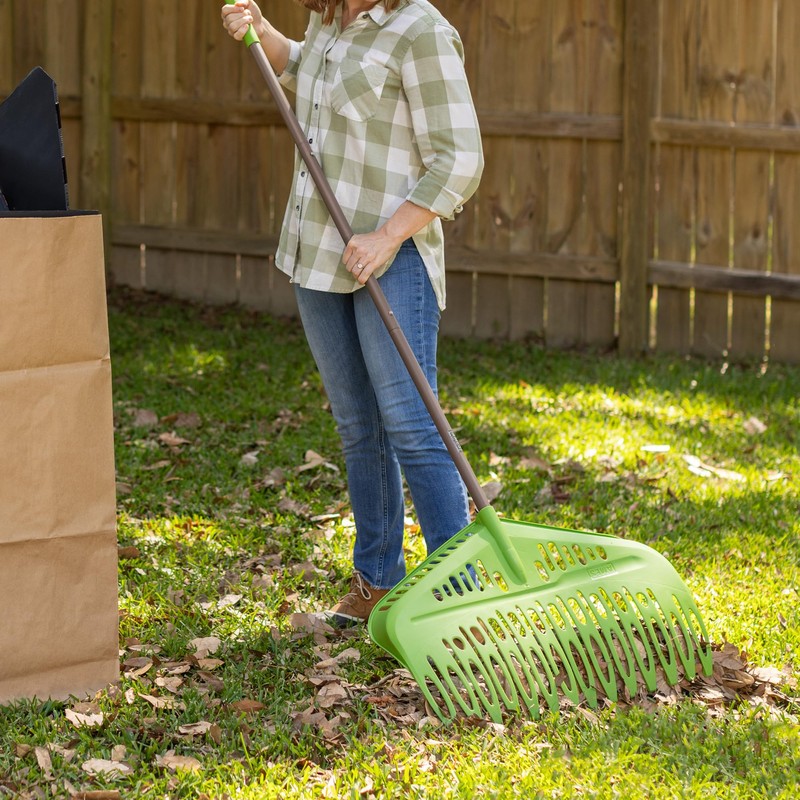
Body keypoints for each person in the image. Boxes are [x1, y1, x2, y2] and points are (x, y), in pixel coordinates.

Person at [221, 0, 483, 626]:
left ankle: (462, 602)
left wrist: (388, 235)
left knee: (413, 428)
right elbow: (313, 76)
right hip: (316, 249)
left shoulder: (420, 31)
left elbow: (460, 158)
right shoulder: (328, 20)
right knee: (358, 427)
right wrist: (265, 34)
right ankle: (378, 584)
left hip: (389, 259)